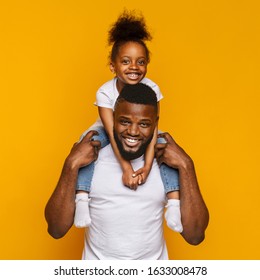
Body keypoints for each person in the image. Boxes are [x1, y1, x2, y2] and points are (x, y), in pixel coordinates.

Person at [45, 83, 209, 260]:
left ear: (155, 123)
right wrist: (70, 165)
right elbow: (56, 229)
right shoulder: (90, 155)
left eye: (144, 124)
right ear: (112, 118)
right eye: (124, 121)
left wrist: (186, 165)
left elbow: (195, 235)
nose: (132, 131)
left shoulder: (167, 159)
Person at [74, 10, 182, 233]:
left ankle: (174, 203)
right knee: (85, 143)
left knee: (166, 146)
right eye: (126, 61)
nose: (134, 67)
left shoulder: (152, 89)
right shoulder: (105, 93)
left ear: (147, 64)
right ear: (113, 66)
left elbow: (152, 130)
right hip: (110, 129)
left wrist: (147, 166)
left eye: (140, 62)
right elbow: (113, 134)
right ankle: (82, 199)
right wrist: (126, 168)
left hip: (139, 131)